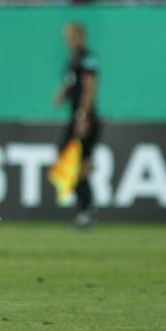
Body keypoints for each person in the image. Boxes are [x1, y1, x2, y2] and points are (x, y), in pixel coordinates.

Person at [53, 22, 100, 229]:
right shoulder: (72, 60)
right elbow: (71, 83)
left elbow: (90, 88)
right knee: (69, 162)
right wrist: (62, 93)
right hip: (75, 117)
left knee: (78, 165)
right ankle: (85, 209)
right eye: (66, 35)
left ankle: (87, 210)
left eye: (71, 35)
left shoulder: (87, 58)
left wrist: (82, 115)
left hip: (84, 118)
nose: (67, 39)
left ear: (81, 36)